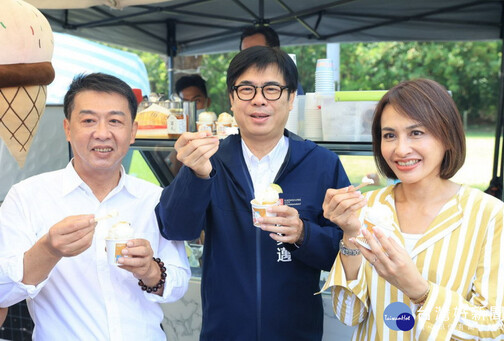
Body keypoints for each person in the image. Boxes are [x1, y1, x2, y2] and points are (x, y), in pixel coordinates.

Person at [155, 46, 351, 340]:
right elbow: (175, 228)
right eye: (246, 89)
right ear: (232, 99)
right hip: (224, 330)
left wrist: (303, 234)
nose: (259, 100)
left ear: (290, 98)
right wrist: (195, 175)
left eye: (272, 89)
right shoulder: (212, 159)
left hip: (297, 332)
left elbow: (344, 252)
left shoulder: (322, 164)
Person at [0, 73, 190, 340]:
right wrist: (48, 250)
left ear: (133, 132)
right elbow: (3, 292)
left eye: (115, 121)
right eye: (88, 120)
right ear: (67, 129)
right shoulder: (27, 197)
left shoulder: (156, 198)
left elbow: (180, 281)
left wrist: (150, 270)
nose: (102, 133)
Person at [321, 79, 504, 340]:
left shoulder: (489, 215)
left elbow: (493, 329)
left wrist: (420, 290)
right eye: (389, 135)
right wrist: (349, 235)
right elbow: (347, 315)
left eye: (416, 133)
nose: (400, 149)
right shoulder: (368, 208)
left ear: (447, 136)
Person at [240, 25, 304, 95]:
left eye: (256, 52)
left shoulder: (287, 83)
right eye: (244, 53)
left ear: (275, 52)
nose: (249, 58)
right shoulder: (240, 84)